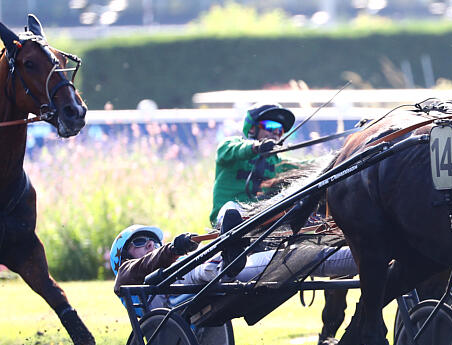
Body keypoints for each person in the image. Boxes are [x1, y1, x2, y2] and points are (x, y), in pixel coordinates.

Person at [111, 214, 357, 306]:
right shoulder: (126, 273)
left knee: (304, 256)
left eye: (152, 240)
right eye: (139, 242)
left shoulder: (164, 259)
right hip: (195, 285)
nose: (149, 244)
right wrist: (173, 249)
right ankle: (219, 261)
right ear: (122, 257)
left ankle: (369, 257)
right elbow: (147, 264)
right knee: (300, 257)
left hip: (217, 281)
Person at [210, 103, 306, 226]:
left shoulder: (279, 163)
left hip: (262, 216)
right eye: (270, 126)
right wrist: (257, 147)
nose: (276, 132)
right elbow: (236, 149)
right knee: (230, 208)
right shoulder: (229, 145)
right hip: (231, 217)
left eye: (280, 130)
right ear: (252, 128)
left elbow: (307, 165)